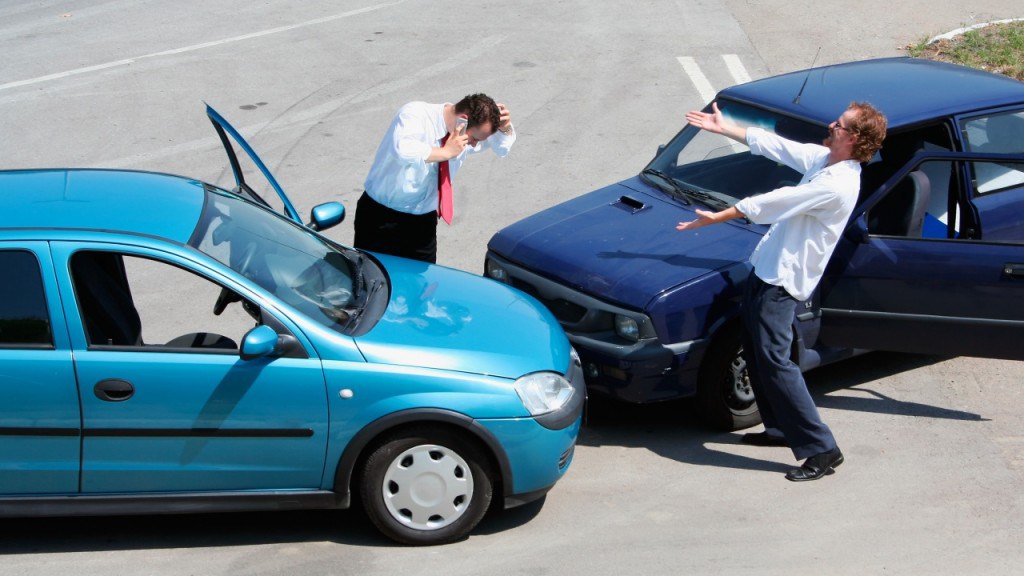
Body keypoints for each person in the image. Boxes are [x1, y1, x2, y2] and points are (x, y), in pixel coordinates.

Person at [676, 100, 887, 482]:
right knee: (759, 352)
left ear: (853, 138)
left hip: (783, 282)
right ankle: (778, 429)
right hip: (768, 269)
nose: (830, 124)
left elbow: (778, 201)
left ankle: (822, 449)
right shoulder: (826, 160)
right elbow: (777, 145)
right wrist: (725, 129)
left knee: (775, 362)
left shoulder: (837, 184)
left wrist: (721, 215)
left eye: (838, 124)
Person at [354, 93, 515, 263]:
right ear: (463, 120)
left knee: (423, 284)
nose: (474, 144)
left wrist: (505, 128)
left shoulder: (462, 136)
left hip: (423, 224)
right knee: (370, 281)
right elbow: (402, 150)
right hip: (381, 218)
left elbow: (502, 149)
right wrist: (445, 152)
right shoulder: (415, 114)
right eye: (474, 138)